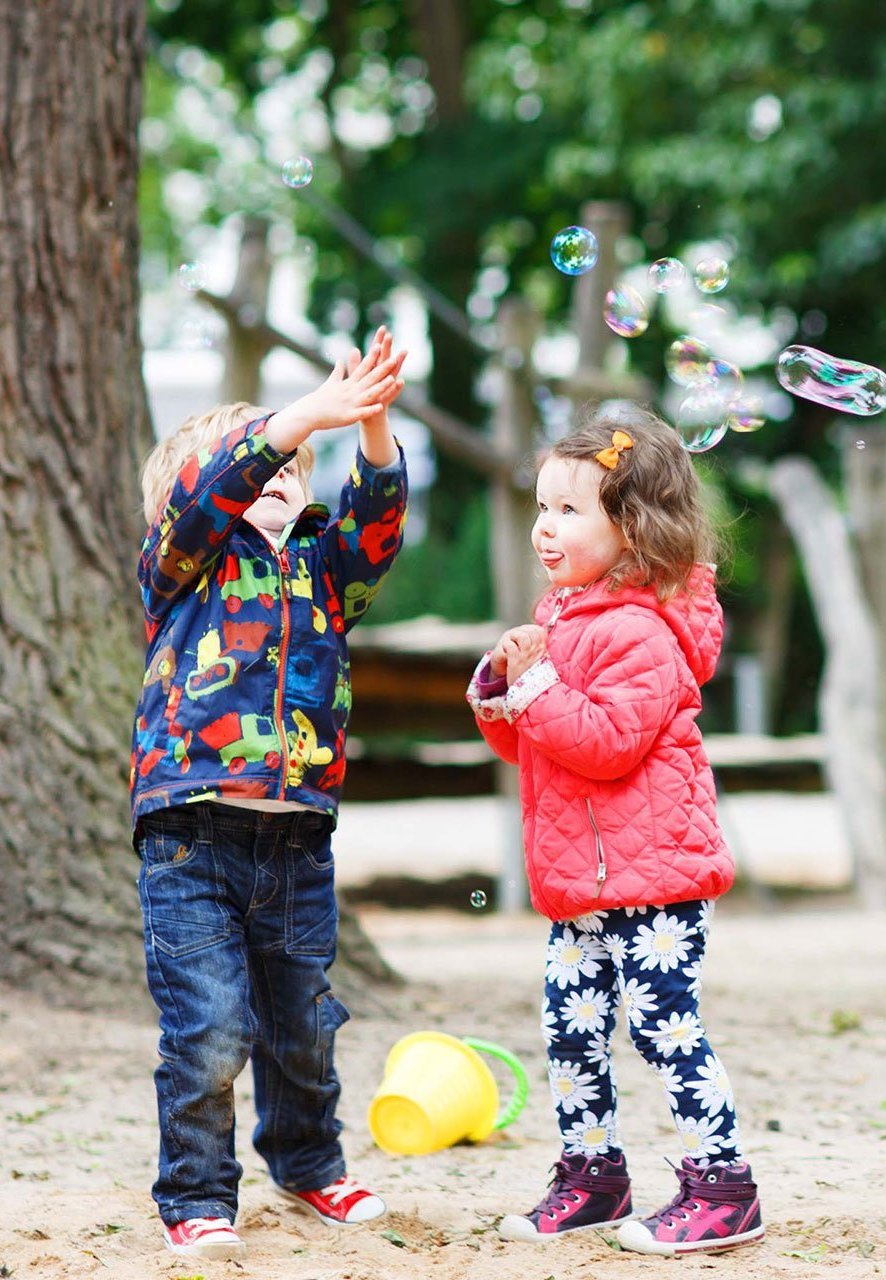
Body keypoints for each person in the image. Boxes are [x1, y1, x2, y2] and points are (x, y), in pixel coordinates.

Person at [131, 331, 409, 1260]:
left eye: (295, 463)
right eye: (264, 459)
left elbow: (378, 519)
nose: (282, 468)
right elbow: (208, 497)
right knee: (210, 1028)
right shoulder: (185, 566)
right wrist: (290, 422)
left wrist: (368, 425)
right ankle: (199, 1196)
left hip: (296, 840)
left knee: (304, 1023)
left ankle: (308, 1162)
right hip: (190, 830)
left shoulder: (327, 568)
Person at [466, 410, 763, 1257]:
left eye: (569, 510)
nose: (545, 527)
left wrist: (534, 690)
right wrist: (501, 689)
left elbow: (604, 744)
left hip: (657, 882)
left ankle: (723, 1186)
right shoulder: (564, 617)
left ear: (631, 528)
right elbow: (534, 747)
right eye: (542, 506)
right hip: (585, 884)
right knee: (571, 1026)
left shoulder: (639, 630)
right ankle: (592, 1175)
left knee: (662, 1024)